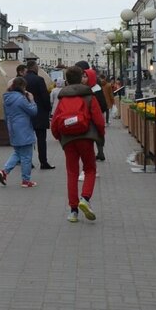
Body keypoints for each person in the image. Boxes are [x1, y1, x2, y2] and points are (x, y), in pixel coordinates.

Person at [51, 66, 105, 223]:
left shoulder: (63, 97)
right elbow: (98, 119)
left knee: (72, 172)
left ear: (67, 80)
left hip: (68, 139)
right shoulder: (89, 96)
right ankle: (85, 198)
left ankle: (73, 211)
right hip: (86, 137)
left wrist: (59, 137)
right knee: (89, 169)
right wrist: (101, 135)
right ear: (81, 78)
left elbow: (55, 121)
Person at [0, 77, 39, 188]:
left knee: (18, 153)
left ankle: (5, 171)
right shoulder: (21, 99)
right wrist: (32, 100)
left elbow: (6, 117)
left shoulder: (6, 98)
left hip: (13, 128)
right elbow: (33, 111)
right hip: (24, 129)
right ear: (22, 87)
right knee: (26, 156)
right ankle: (26, 180)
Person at [24, 62, 55, 169]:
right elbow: (45, 97)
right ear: (34, 68)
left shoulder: (22, 80)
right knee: (41, 139)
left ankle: (28, 161)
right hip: (40, 113)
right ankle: (43, 162)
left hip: (26, 113)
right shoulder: (39, 80)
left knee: (28, 139)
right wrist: (48, 110)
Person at [75, 60, 108, 161]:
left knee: (98, 134)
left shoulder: (95, 88)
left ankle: (100, 152)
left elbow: (102, 104)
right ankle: (95, 153)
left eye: (84, 76)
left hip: (96, 115)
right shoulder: (86, 86)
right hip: (88, 116)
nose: (82, 78)